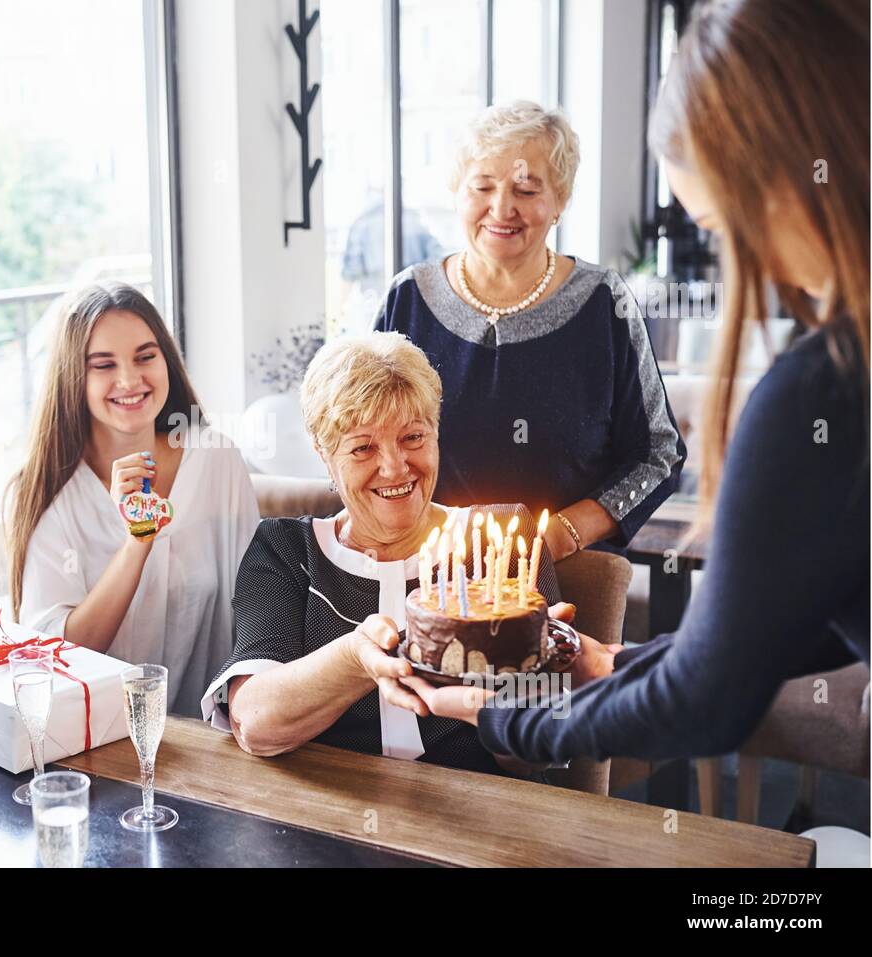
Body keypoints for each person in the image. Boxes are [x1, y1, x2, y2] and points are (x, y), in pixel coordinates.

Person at [404, 0, 870, 764]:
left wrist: (497, 715)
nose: (749, 262)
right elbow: (770, 636)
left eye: (721, 226)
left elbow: (706, 699)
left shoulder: (826, 394)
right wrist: (616, 664)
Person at [200, 332, 567, 774]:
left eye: (413, 437)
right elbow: (257, 725)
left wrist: (505, 714)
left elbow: (547, 747)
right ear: (323, 452)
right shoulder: (286, 551)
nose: (395, 467)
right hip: (326, 811)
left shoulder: (504, 541)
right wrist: (355, 659)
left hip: (475, 814)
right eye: (363, 447)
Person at [375, 100, 686, 559]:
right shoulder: (409, 297)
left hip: (563, 575)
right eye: (482, 186)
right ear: (457, 192)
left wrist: (565, 533)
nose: (501, 209)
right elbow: (363, 438)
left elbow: (658, 453)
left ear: (559, 200)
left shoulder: (605, 302)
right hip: (429, 571)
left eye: (525, 190)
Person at [6, 283, 260, 714]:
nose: (130, 380)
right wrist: (137, 542)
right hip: (94, 741)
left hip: (212, 737)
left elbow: (257, 603)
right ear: (74, 378)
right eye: (103, 365)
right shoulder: (45, 490)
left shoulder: (215, 459)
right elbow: (57, 655)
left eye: (146, 356)